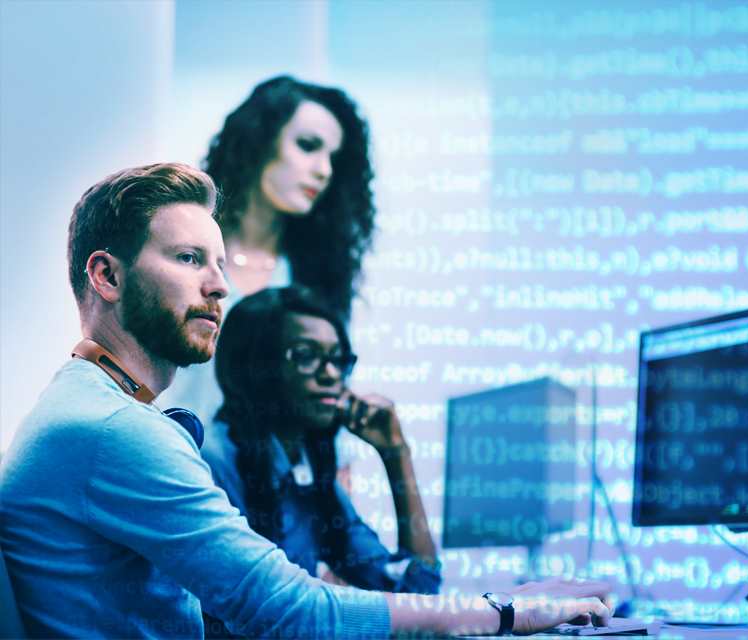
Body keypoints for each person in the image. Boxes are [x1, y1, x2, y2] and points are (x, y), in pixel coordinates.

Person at [0, 162, 614, 638]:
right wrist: (505, 611)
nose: (219, 285)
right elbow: (289, 615)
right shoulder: (113, 429)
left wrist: (493, 607)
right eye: (188, 259)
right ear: (106, 276)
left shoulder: (95, 409)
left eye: (219, 263)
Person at [161, 74, 374, 485]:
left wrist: (337, 528)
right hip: (171, 485)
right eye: (308, 146)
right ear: (260, 141)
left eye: (334, 157)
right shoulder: (180, 251)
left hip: (267, 503)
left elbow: (326, 412)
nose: (324, 170)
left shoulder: (315, 280)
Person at [200, 285, 440, 637]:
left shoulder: (309, 478)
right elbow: (271, 613)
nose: (331, 374)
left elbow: (418, 591)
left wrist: (395, 454)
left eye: (339, 359)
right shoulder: (211, 462)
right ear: (255, 368)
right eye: (307, 355)